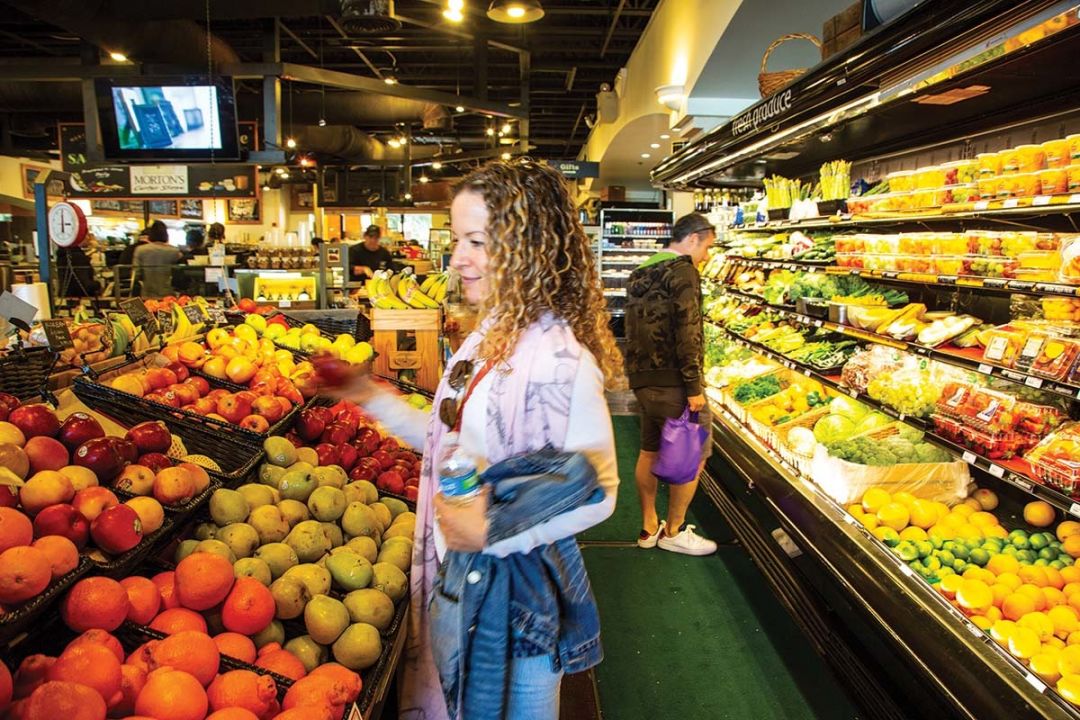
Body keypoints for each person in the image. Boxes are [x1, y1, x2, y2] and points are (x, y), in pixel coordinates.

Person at [348, 159, 623, 720]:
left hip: (514, 600)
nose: (458, 259)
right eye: (457, 239)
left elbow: (601, 491)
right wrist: (368, 397)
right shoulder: (487, 338)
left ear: (529, 247)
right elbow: (448, 439)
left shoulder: (560, 361)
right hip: (465, 581)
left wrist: (490, 528)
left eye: (477, 240)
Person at [624, 212, 718, 556]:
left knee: (649, 449)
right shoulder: (683, 271)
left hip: (644, 382)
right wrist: (694, 386)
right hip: (676, 383)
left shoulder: (640, 271)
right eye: (706, 246)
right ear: (693, 238)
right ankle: (674, 530)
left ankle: (648, 526)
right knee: (694, 453)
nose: (706, 256)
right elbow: (688, 330)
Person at [132, 220, 182, 298]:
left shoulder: (140, 250)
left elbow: (136, 274)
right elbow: (178, 274)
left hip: (147, 293)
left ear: (151, 234)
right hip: (168, 294)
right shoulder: (174, 251)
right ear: (166, 235)